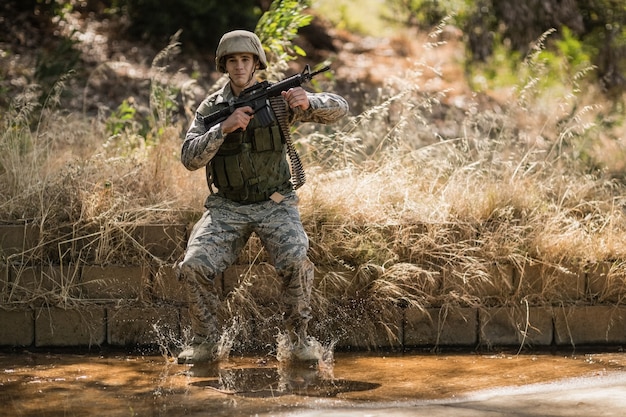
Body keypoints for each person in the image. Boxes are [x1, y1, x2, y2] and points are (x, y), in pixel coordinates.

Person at [176, 30, 349, 364]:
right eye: (232, 61)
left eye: (245, 60)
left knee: (296, 260)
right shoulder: (213, 107)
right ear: (224, 65)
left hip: (276, 202)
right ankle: (205, 343)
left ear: (256, 63)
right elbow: (189, 158)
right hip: (226, 207)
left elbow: (339, 107)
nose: (239, 67)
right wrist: (222, 129)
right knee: (194, 264)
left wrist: (308, 102)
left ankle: (298, 342)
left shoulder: (277, 98)